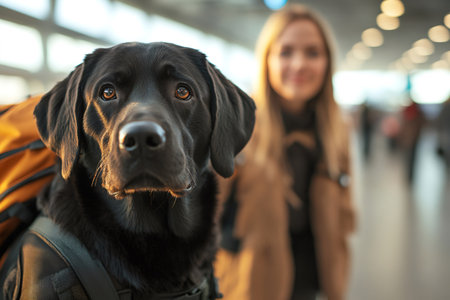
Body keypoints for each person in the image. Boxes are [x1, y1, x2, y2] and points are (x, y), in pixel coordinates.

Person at [214, 4, 356, 300]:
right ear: (267, 60)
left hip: (310, 283)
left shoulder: (336, 131)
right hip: (249, 286)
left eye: (313, 53)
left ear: (328, 62)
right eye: (286, 52)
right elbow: (205, 214)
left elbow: (344, 212)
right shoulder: (239, 124)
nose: (300, 64)